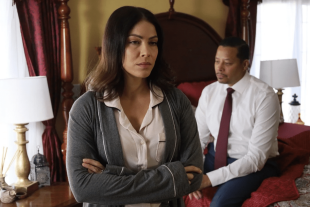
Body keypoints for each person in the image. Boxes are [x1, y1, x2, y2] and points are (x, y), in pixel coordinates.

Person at [66, 6, 203, 207]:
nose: (146, 52)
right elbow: (83, 188)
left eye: (153, 43)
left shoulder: (177, 101)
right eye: (134, 42)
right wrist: (172, 177)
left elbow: (195, 177)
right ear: (114, 45)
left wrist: (111, 174)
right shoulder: (86, 108)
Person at [194, 36, 280, 206]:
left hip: (251, 163)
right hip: (214, 157)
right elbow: (198, 139)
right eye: (217, 61)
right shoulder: (209, 92)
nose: (219, 68)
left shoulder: (265, 96)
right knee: (172, 188)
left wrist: (208, 179)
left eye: (227, 63)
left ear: (245, 64)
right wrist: (190, 172)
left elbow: (256, 158)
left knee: (219, 204)